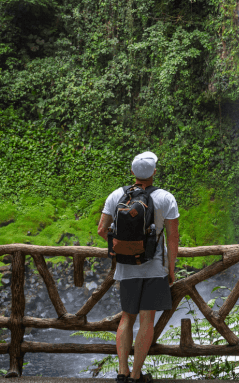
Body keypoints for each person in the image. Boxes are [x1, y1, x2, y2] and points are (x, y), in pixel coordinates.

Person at [97, 151, 180, 383]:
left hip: (126, 267)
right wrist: (171, 268)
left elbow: (102, 230)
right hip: (155, 268)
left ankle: (121, 373)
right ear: (154, 172)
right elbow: (173, 237)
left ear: (132, 172)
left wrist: (122, 247)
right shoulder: (166, 198)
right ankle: (136, 376)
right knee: (146, 320)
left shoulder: (116, 196)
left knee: (126, 318)